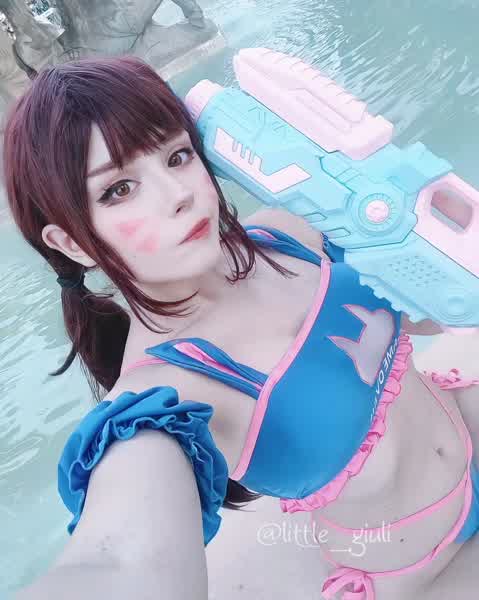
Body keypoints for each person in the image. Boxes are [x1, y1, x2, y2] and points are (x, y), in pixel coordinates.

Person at [3, 56, 478, 600]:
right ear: (72, 243)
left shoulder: (286, 233)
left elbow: (423, 314)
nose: (178, 193)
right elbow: (121, 563)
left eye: (177, 156)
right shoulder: (164, 392)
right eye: (119, 189)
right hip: (412, 565)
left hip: (465, 424)